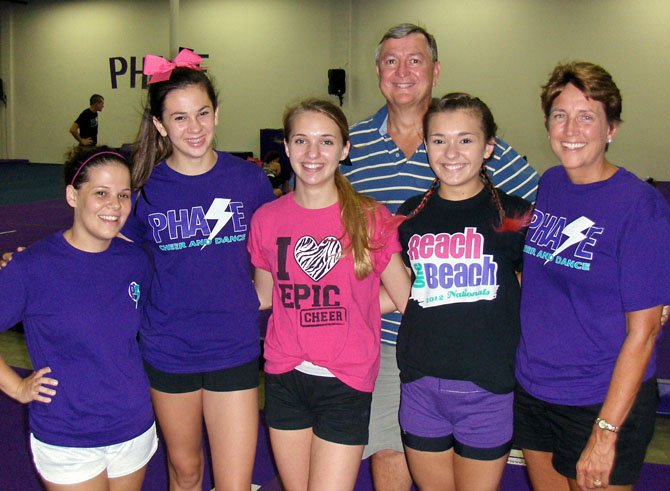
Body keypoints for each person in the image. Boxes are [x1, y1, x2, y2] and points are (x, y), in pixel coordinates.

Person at [341, 23, 539, 491]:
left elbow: (544, 233)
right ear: (377, 71)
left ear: (435, 70)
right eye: (391, 60)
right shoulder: (351, 147)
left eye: (415, 59)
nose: (403, 71)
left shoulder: (495, 163)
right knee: (389, 454)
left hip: (481, 358)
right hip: (396, 341)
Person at [121, 49, 274, 490]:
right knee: (185, 472)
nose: (195, 128)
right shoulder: (144, 188)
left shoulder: (248, 180)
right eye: (180, 117)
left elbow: (275, 247)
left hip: (233, 347)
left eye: (202, 113)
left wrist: (257, 299)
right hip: (168, 348)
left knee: (234, 480)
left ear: (217, 113)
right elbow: (109, 255)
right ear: (159, 124)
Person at [514, 61, 670, 491]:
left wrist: (604, 434)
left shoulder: (640, 207)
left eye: (587, 116)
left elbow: (643, 335)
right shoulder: (550, 184)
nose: (571, 129)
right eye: (560, 115)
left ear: (611, 129)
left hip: (599, 401)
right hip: (535, 390)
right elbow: (538, 279)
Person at [248, 98, 411, 491]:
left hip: (347, 380)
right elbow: (265, 296)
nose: (313, 153)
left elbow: (404, 297)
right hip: (286, 377)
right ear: (286, 148)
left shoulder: (370, 216)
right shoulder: (267, 219)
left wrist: (357, 306)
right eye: (301, 141)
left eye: (326, 141)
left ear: (345, 149)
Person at [395, 93, 531, 491]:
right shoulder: (410, 215)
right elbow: (402, 290)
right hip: (421, 386)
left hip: (488, 389)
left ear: (489, 147)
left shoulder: (515, 215)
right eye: (438, 140)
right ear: (425, 145)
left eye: (466, 140)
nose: (451, 152)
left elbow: (540, 293)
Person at [0, 148, 157, 490]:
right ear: (73, 195)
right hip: (67, 433)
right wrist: (17, 387)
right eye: (101, 193)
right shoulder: (31, 267)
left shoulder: (135, 262)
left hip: (132, 426)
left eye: (123, 195)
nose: (114, 206)